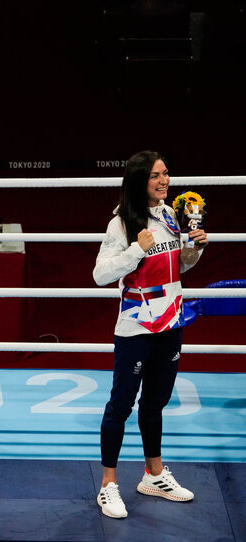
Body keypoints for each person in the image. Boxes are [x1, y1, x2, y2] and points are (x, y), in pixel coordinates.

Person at [92, 150, 208, 519]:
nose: (164, 181)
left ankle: (154, 475)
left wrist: (194, 248)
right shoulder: (121, 223)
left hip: (171, 320)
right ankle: (108, 484)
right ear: (140, 182)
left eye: (166, 174)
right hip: (137, 323)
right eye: (156, 176)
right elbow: (101, 275)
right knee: (121, 405)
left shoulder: (171, 215)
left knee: (155, 402)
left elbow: (178, 268)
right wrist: (134, 250)